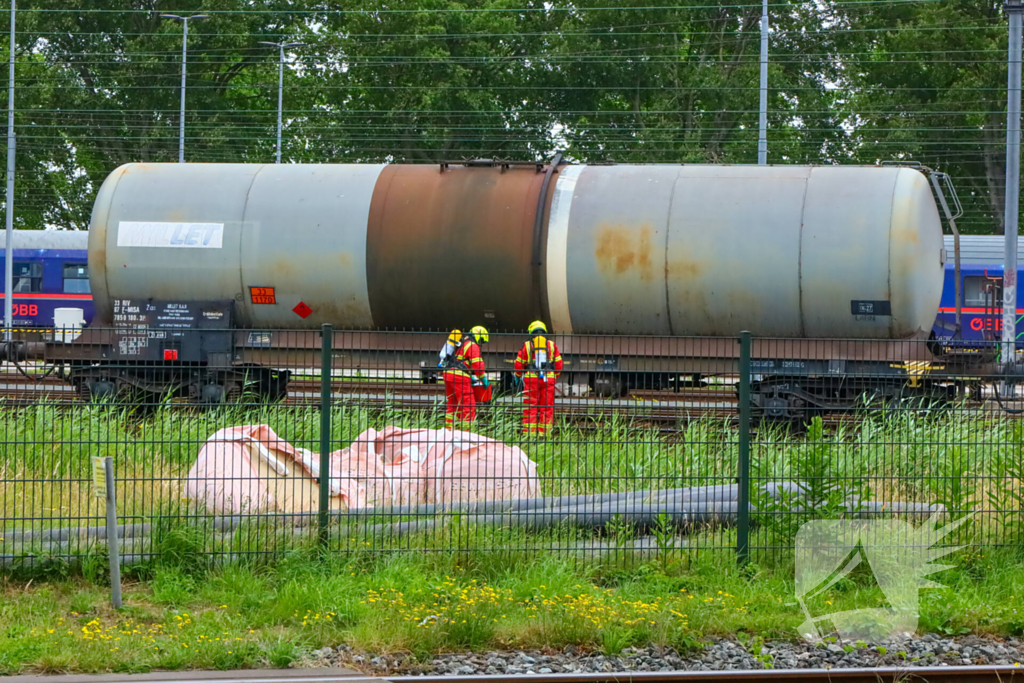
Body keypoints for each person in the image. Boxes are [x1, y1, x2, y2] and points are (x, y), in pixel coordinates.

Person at [513, 320, 563, 435]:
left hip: (531, 380)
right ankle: (544, 434)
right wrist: (554, 376)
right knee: (547, 406)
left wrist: (518, 375)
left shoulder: (527, 345)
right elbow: (559, 364)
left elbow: (519, 363)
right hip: (548, 379)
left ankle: (529, 434)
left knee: (530, 406)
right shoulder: (551, 345)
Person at [441, 325, 489, 427]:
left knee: (452, 403)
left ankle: (449, 430)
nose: (480, 344)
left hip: (448, 373)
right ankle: (467, 432)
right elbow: (478, 364)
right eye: (481, 341)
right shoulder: (472, 345)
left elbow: (458, 361)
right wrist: (482, 378)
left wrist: (469, 376)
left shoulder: (462, 343)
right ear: (478, 336)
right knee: (468, 404)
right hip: (459, 376)